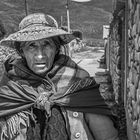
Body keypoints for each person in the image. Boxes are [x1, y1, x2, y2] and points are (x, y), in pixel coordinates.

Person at [0, 13, 119, 140]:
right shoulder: (10, 86)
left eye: (47, 44)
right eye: (31, 45)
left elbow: (108, 136)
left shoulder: (78, 82)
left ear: (56, 48)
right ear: (21, 52)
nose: (40, 55)